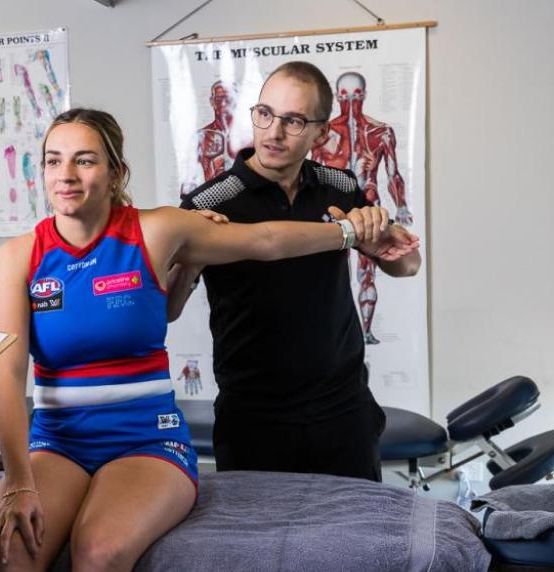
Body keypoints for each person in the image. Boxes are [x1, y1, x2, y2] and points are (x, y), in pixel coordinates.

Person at [0, 107, 415, 571]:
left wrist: (350, 233)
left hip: (144, 440)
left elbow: (265, 241)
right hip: (57, 442)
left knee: (99, 553)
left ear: (115, 173)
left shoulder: (157, 230)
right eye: (53, 160)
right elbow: (6, 378)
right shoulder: (19, 256)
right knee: (10, 553)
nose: (65, 174)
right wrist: (19, 481)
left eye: (84, 160)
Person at [173, 61, 422, 482]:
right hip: (254, 415)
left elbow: (408, 265)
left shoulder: (338, 186)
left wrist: (377, 238)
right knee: (259, 527)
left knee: (357, 523)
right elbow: (168, 307)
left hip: (343, 409)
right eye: (265, 114)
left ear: (320, 134)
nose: (273, 132)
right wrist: (191, 256)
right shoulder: (210, 202)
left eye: (293, 121)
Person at [311, 71, 413, 344]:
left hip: (369, 205)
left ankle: (365, 333)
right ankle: (331, 337)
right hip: (332, 212)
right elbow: (312, 174)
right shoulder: (323, 134)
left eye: (356, 96)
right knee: (331, 273)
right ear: (337, 97)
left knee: (367, 271)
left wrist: (402, 207)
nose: (350, 103)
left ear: (364, 95)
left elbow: (393, 173)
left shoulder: (381, 132)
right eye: (344, 96)